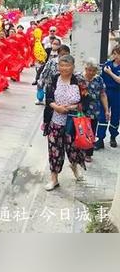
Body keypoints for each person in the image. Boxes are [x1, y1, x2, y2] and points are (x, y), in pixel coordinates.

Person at [43, 55, 86, 191]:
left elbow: (86, 101)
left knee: (74, 149)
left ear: (73, 67)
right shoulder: (54, 78)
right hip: (55, 121)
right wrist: (57, 107)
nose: (64, 68)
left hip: (72, 122)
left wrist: (71, 107)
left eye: (67, 65)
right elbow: (48, 98)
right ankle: (54, 179)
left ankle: (74, 166)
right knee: (54, 150)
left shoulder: (79, 81)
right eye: (61, 65)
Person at [78, 59, 109, 162]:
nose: (91, 72)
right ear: (85, 69)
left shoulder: (99, 79)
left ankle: (88, 153)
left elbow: (103, 94)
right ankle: (79, 151)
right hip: (80, 109)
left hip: (94, 110)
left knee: (91, 131)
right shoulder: (79, 78)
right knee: (80, 131)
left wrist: (106, 110)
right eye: (89, 70)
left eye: (94, 70)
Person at [96, 46, 120, 149]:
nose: (115, 56)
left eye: (117, 54)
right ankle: (100, 139)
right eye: (114, 53)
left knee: (115, 116)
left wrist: (110, 73)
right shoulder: (107, 64)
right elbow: (100, 79)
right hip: (106, 92)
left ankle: (113, 136)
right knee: (103, 115)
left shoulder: (109, 69)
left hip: (117, 93)